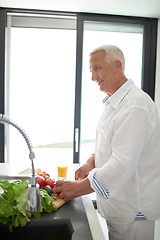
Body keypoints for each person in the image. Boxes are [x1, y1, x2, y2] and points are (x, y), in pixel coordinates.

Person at [53, 45, 160, 240]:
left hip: (133, 211)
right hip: (120, 206)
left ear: (117, 65)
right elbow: (114, 147)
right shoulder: (114, 103)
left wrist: (77, 188)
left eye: (97, 68)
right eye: (91, 70)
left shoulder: (136, 105)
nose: (93, 77)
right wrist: (91, 162)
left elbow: (121, 165)